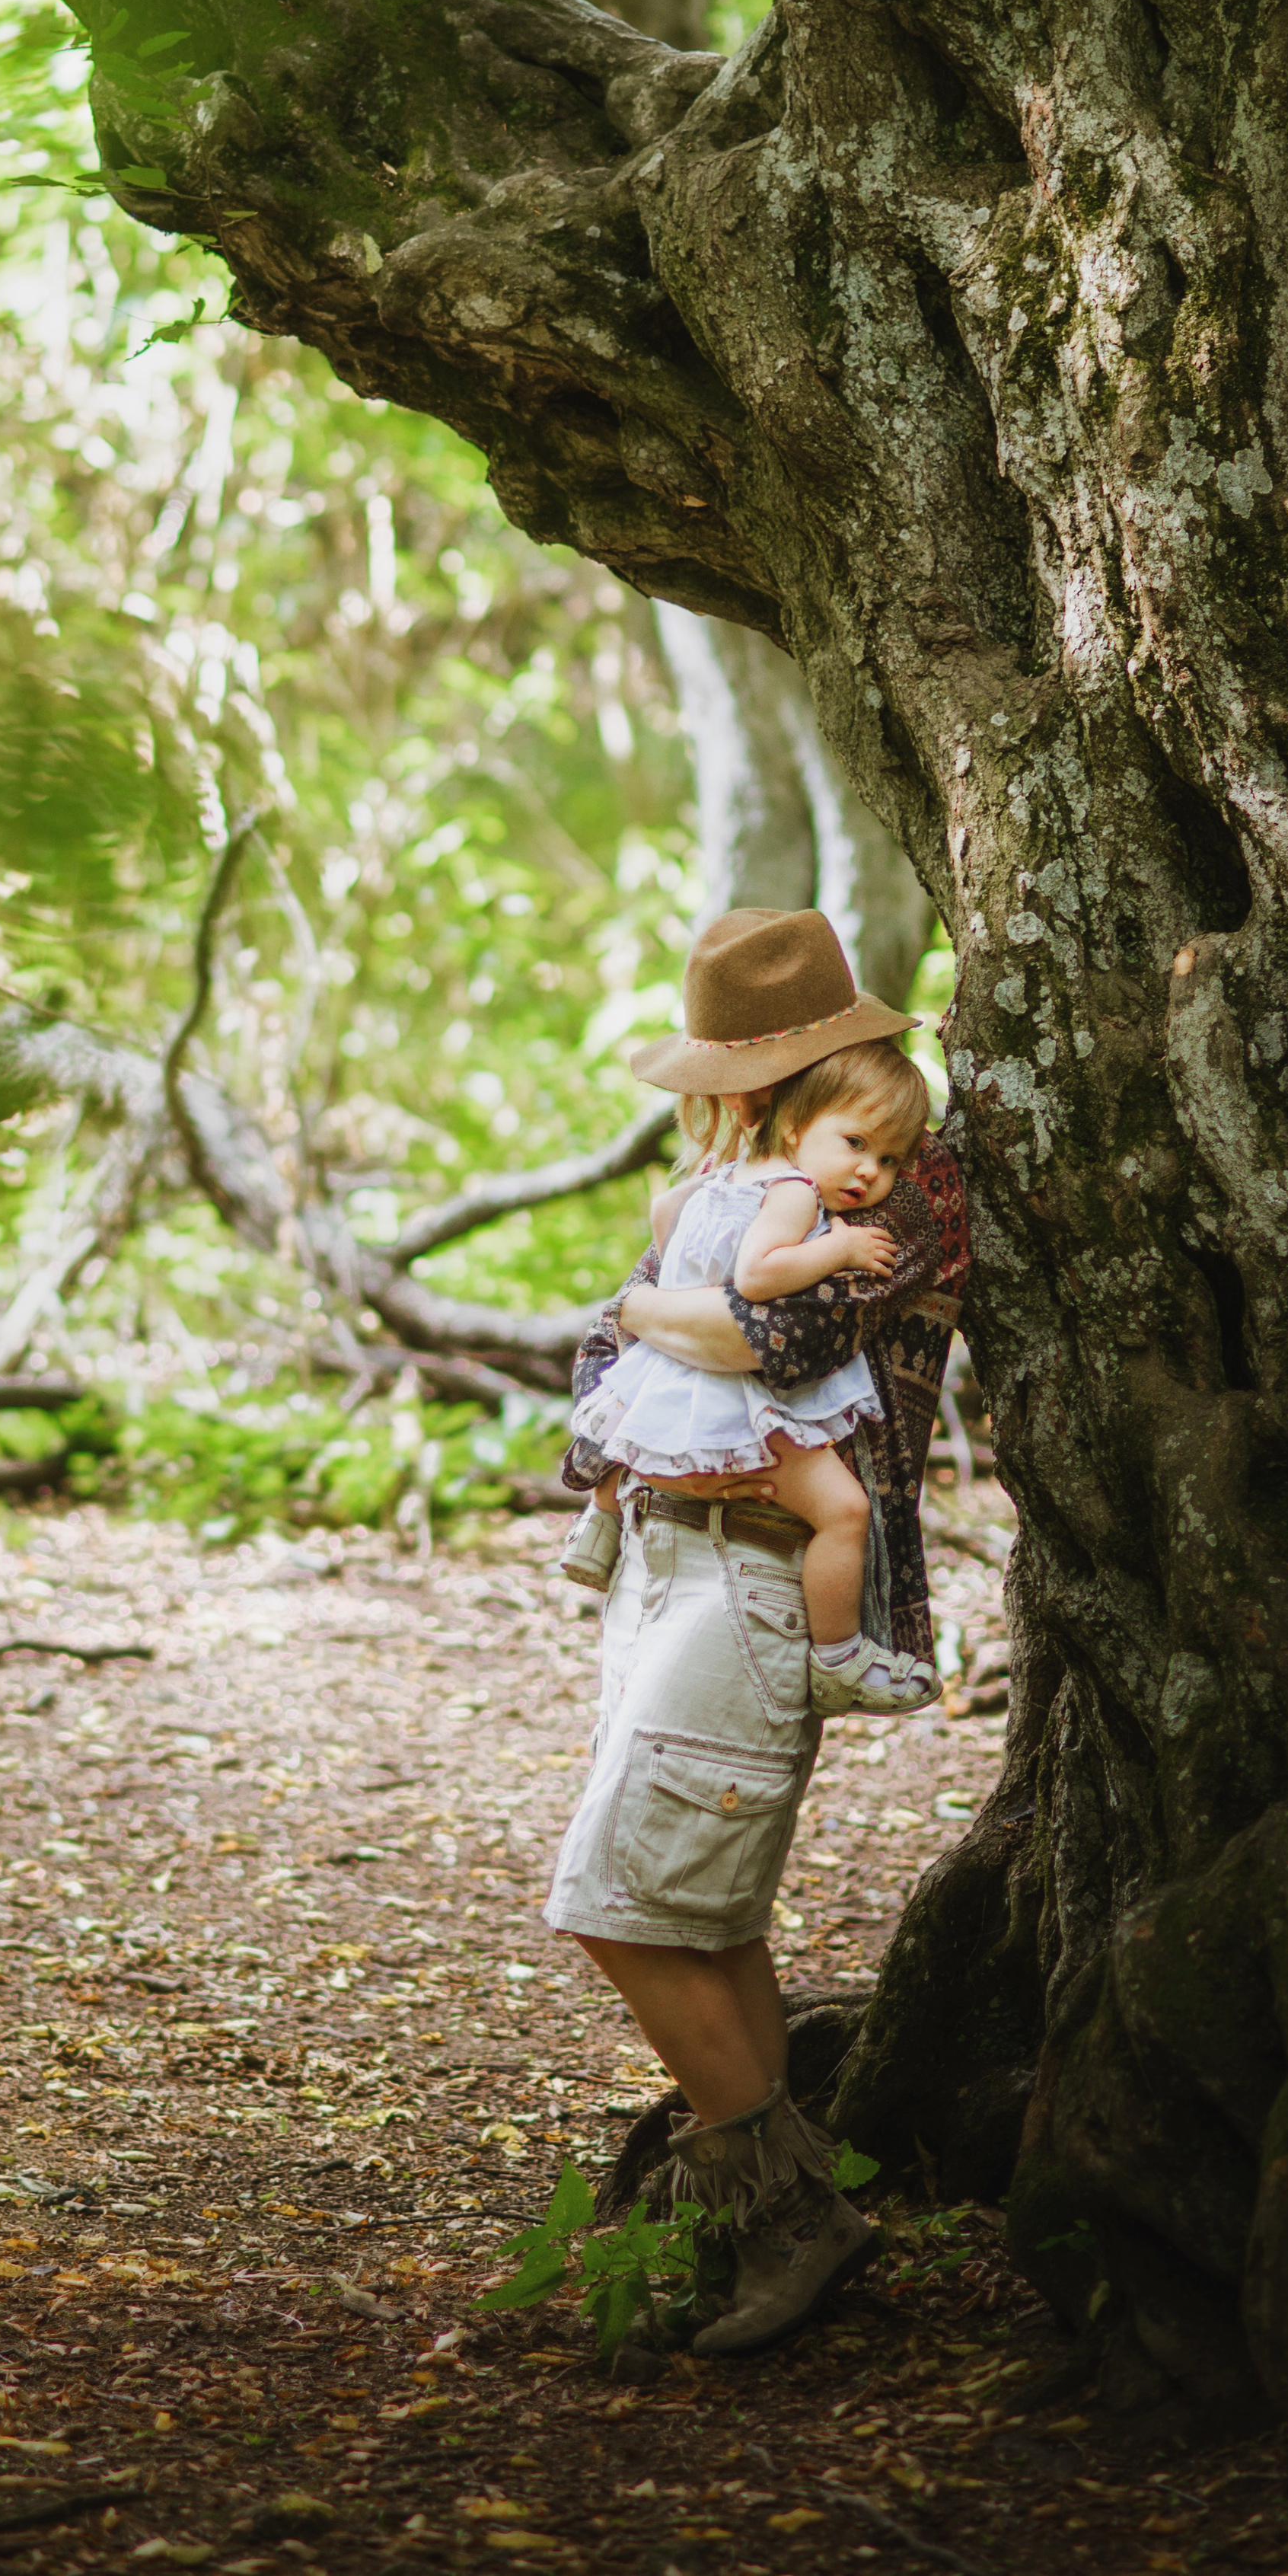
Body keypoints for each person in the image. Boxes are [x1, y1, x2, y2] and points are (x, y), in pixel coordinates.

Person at [542, 908, 971, 2360]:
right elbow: (613, 1350)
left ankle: (785, 2211)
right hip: (671, 1558)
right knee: (701, 1911)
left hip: (759, 1571)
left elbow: (766, 1338)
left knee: (615, 1898)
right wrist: (649, 1309)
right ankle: (750, 2224)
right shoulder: (734, 1183)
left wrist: (644, 1302)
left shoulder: (894, 1183)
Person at [565, 1038, 938, 1714]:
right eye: (856, 1145)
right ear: (798, 1122)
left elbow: (674, 1233)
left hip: (690, 1410)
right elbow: (755, 1279)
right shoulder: (793, 1193)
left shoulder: (726, 1181)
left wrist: (657, 1301)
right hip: (738, 1409)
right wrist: (839, 1247)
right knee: (844, 1511)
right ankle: (840, 1653)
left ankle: (601, 1518)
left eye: (888, 1159)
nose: (871, 1171)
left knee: (637, 1421)